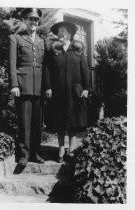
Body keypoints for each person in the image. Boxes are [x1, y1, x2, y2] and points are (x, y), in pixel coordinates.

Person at [44, 21, 90, 163]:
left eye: (64, 31)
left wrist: (87, 88)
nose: (61, 33)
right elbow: (47, 70)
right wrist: (48, 87)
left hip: (74, 92)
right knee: (60, 121)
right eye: (59, 31)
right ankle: (61, 149)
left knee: (73, 121)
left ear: (70, 33)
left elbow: (85, 70)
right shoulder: (53, 50)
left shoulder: (77, 50)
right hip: (58, 92)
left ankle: (71, 150)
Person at [9, 8, 45, 166]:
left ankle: (35, 153)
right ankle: (24, 155)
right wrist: (14, 84)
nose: (33, 22)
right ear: (25, 21)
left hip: (39, 87)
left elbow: (44, 66)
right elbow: (12, 64)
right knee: (24, 123)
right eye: (30, 19)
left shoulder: (41, 41)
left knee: (37, 123)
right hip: (23, 86)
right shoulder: (16, 38)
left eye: (36, 20)